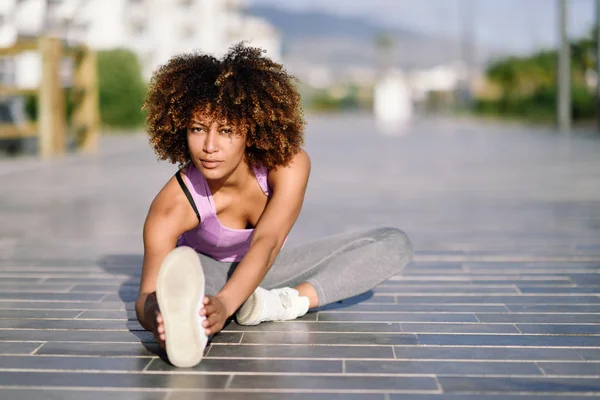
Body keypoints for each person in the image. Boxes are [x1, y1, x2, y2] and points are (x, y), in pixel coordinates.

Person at [135, 43, 414, 368]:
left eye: (226, 131)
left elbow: (268, 243)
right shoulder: (172, 204)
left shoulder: (288, 165)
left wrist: (227, 305)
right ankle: (195, 318)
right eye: (198, 129)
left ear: (250, 131)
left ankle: (280, 304)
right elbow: (145, 296)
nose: (210, 146)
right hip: (210, 275)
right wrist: (158, 312)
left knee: (392, 242)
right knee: (188, 267)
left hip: (268, 268)